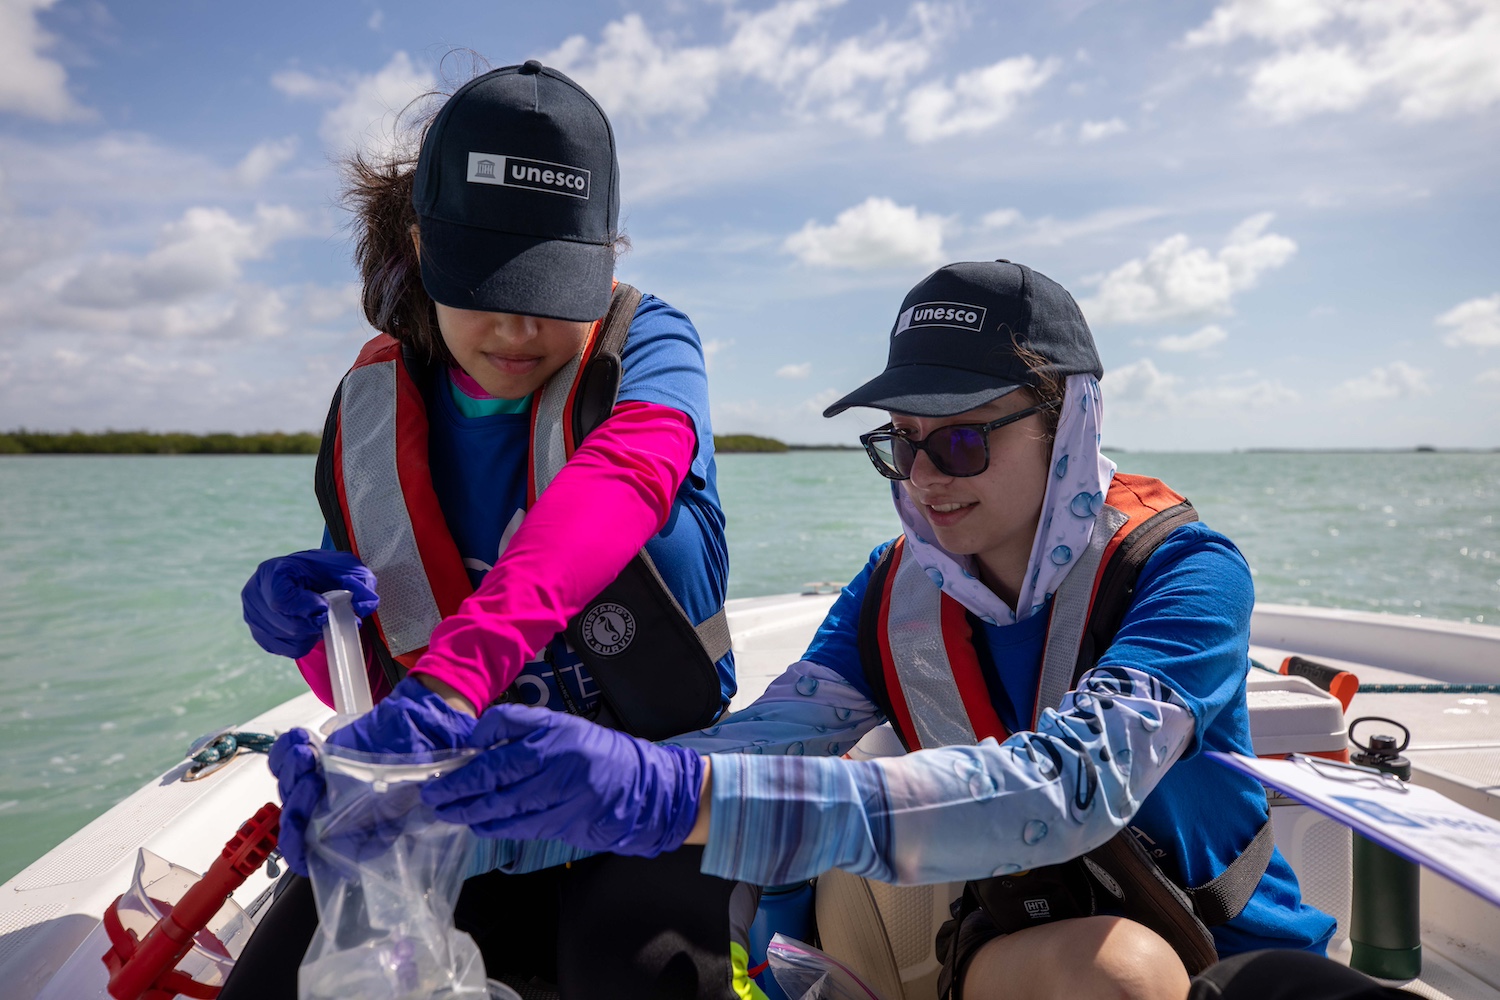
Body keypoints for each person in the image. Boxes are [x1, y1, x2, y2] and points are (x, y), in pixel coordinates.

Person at [419, 260, 1343, 1000]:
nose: (926, 477)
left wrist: (665, 792)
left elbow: (1070, 787)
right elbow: (760, 746)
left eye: (964, 440)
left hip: (1227, 947)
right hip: (1023, 949)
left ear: (1067, 423)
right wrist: (450, 819)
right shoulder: (890, 591)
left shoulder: (1186, 575)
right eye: (901, 442)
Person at [229, 61, 756, 1000]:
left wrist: (454, 680)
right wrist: (317, 642)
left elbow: (624, 476)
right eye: (488, 282)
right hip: (463, 802)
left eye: (552, 286)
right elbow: (378, 677)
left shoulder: (657, 346)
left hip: (645, 786)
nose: (518, 326)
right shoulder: (373, 410)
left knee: (638, 977)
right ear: (424, 248)